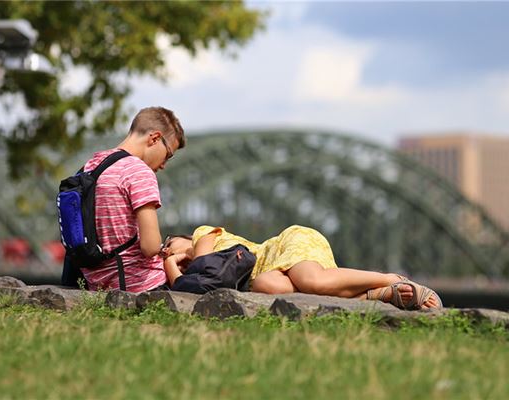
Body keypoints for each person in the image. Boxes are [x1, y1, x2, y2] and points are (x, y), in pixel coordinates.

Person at [163, 225, 442, 310]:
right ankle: (377, 296)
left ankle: (390, 278)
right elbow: (198, 287)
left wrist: (172, 263)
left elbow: (200, 279)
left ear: (184, 238)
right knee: (268, 288)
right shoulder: (194, 273)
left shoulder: (203, 235)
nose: (167, 250)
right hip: (268, 273)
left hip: (288, 243)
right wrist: (171, 265)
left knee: (312, 283)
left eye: (168, 243)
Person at [80, 107, 185, 292]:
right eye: (168, 155)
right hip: (139, 285)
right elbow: (150, 247)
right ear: (154, 138)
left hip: (96, 283)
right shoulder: (139, 171)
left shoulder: (91, 166)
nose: (164, 165)